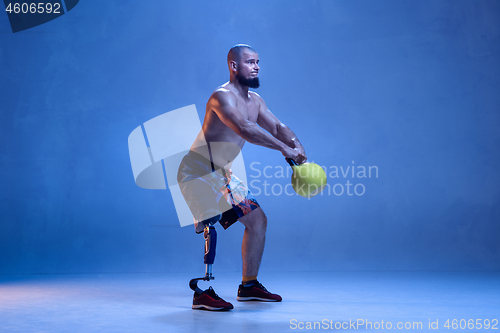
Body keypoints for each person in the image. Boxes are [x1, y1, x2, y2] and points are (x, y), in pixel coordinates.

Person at [177, 44, 307, 311]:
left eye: (258, 61)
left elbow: (278, 126)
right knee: (210, 224)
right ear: (234, 66)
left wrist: (297, 144)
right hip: (198, 171)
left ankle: (248, 286)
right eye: (250, 62)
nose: (256, 66)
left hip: (222, 175)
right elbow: (245, 128)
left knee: (257, 221)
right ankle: (202, 291)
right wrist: (284, 149)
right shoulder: (221, 97)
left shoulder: (256, 101)